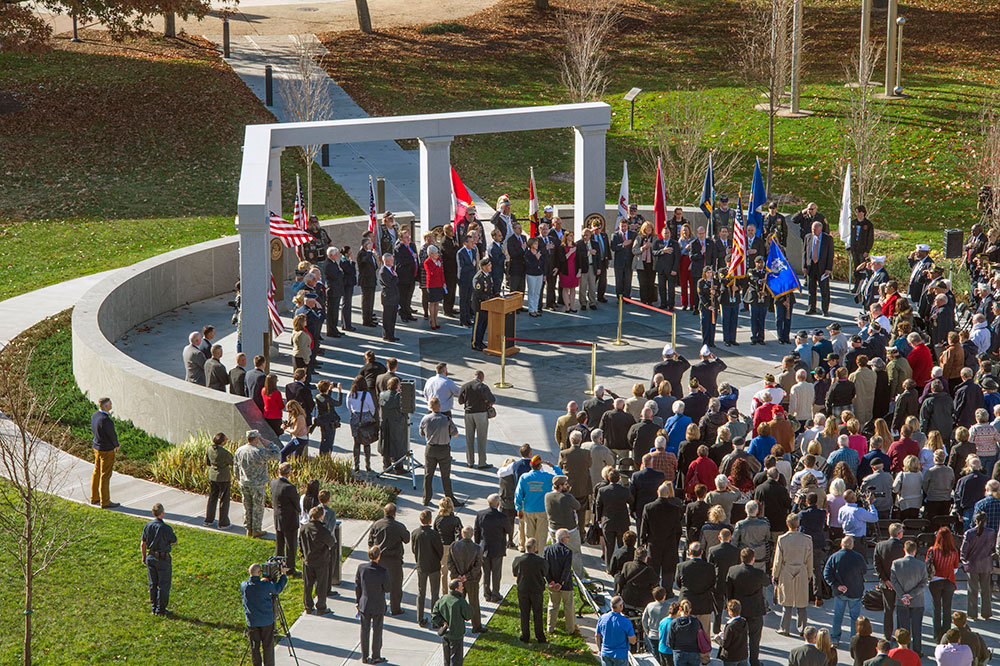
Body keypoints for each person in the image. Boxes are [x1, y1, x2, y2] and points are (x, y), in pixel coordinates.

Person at [726, 547, 770, 666]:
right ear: (753, 559)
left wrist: (729, 604)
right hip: (755, 609)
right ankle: (754, 661)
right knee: (754, 638)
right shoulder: (758, 573)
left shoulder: (733, 571)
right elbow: (767, 582)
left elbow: (729, 590)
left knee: (740, 638)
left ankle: (742, 660)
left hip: (739, 610)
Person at [234, 430, 280, 539]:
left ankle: (248, 529)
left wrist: (238, 479)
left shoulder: (239, 451)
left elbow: (236, 467)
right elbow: (277, 454)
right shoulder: (259, 452)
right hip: (257, 484)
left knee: (247, 506)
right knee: (258, 508)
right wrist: (268, 443)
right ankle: (256, 530)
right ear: (256, 439)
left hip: (244, 482)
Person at [774, 512, 813, 637]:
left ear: (787, 524)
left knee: (787, 601)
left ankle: (784, 628)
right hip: (801, 570)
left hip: (786, 570)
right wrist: (809, 574)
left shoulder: (782, 539)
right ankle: (803, 629)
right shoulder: (807, 539)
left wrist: (775, 575)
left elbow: (777, 560)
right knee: (802, 603)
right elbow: (809, 559)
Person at [241, 561, 288, 666]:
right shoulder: (266, 585)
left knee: (255, 647)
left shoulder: (244, 586)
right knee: (267, 647)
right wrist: (283, 575)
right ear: (259, 572)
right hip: (266, 621)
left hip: (252, 622)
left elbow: (254, 585)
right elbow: (278, 588)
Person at [823, 536, 867, 647]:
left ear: (841, 544)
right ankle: (853, 640)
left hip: (840, 593)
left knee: (838, 616)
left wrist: (837, 585)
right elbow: (864, 570)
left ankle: (835, 639)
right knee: (854, 618)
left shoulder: (834, 557)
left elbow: (826, 574)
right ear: (852, 545)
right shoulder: (858, 557)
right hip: (855, 591)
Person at [368, 503, 409, 616]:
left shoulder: (376, 525)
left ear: (384, 512)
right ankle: (395, 609)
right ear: (394, 514)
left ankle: (379, 607)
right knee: (396, 585)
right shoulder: (399, 526)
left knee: (378, 585)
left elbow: (370, 542)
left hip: (379, 559)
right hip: (394, 560)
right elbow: (407, 539)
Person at [515, 454, 563, 548]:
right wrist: (554, 467)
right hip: (542, 510)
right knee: (542, 536)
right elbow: (561, 477)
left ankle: (529, 554)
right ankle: (541, 556)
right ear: (540, 465)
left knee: (529, 535)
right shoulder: (547, 477)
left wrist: (519, 508)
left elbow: (518, 494)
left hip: (529, 509)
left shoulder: (524, 477)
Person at [890, 540, 928, 656]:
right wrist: (911, 595)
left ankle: (905, 650)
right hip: (917, 601)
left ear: (904, 550)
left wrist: (903, 595)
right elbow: (924, 583)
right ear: (915, 550)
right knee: (917, 628)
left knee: (903, 628)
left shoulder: (896, 564)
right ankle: (917, 650)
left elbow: (894, 582)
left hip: (902, 601)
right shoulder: (921, 565)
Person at [420, 396, 459, 506]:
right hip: (443, 449)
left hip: (430, 449)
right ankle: (449, 498)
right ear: (440, 407)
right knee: (445, 476)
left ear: (430, 407)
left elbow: (422, 434)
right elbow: (455, 434)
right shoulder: (446, 419)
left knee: (428, 475)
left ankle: (426, 499)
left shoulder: (425, 419)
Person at [140, 503, 177, 616]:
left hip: (151, 557)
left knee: (153, 584)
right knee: (163, 585)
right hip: (163, 559)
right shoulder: (166, 528)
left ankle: (154, 607)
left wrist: (144, 557)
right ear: (162, 513)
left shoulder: (148, 526)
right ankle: (161, 610)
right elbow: (174, 542)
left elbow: (143, 544)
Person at [356, 545, 390, 665]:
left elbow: (358, 586)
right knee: (377, 630)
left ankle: (364, 656)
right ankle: (376, 656)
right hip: (378, 604)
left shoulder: (361, 568)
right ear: (379, 556)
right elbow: (387, 588)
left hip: (365, 604)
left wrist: (358, 601)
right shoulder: (383, 571)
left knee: (364, 631)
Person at [474, 493, 510, 604]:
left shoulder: (480, 514)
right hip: (497, 548)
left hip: (484, 548)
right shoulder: (502, 516)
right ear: (498, 504)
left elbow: (476, 531)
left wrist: (478, 545)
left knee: (486, 573)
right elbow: (508, 530)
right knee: (496, 573)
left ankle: (486, 593)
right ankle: (495, 594)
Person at [511, 536, 548, 643]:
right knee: (538, 613)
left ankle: (525, 635)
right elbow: (545, 573)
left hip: (523, 589)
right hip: (537, 590)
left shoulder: (518, 560)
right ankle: (540, 636)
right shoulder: (541, 561)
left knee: (524, 613)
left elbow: (514, 573)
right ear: (535, 547)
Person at [299, 504, 335, 616]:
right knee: (321, 585)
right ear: (321, 516)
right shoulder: (323, 530)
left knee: (308, 585)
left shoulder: (304, 528)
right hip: (321, 562)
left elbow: (300, 543)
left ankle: (308, 606)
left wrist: (303, 554)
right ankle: (321, 606)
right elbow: (331, 542)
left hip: (308, 560)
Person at [448, 525, 485, 633]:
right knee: (473, 603)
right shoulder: (477, 548)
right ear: (472, 535)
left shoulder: (454, 546)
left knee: (456, 603)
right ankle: (476, 626)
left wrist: (457, 576)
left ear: (462, 534)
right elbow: (478, 566)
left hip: (457, 581)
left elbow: (450, 563)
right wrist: (466, 577)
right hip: (472, 580)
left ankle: (456, 626)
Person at [926, 526, 960, 642]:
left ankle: (937, 637)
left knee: (936, 609)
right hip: (949, 581)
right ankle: (947, 636)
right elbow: (955, 569)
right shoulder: (954, 551)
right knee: (947, 609)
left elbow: (928, 565)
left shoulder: (932, 550)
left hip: (935, 582)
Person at [411, 509, 443, 626]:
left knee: (421, 592)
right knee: (435, 593)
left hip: (421, 566)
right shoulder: (434, 534)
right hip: (434, 566)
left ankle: (420, 618)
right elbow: (439, 551)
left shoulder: (415, 533)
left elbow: (414, 550)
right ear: (430, 520)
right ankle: (435, 620)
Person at [960, 512, 994, 620]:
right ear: (986, 521)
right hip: (986, 564)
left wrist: (963, 559)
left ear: (975, 520)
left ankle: (972, 613)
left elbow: (964, 550)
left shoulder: (969, 533)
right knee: (986, 589)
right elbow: (992, 546)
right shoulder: (991, 532)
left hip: (973, 564)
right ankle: (986, 613)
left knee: (972, 590)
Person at [458, 370, 496, 469]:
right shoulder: (483, 387)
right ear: (481, 377)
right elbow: (492, 400)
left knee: (469, 438)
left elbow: (460, 401)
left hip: (468, 414)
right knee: (481, 438)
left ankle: (470, 462)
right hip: (481, 414)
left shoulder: (465, 386)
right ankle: (482, 462)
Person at [676, 542, 715, 632]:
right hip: (704, 604)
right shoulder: (709, 567)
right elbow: (712, 583)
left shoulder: (681, 566)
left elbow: (679, 583)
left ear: (689, 552)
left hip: (686, 603)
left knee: (685, 633)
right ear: (701, 552)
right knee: (703, 634)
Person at [544, 528, 576, 634]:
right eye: (568, 537)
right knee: (568, 607)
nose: (568, 539)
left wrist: (550, 581)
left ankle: (550, 628)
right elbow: (567, 569)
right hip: (565, 584)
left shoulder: (547, 550)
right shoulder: (567, 552)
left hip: (552, 584)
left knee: (552, 605)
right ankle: (570, 629)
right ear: (563, 539)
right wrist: (561, 583)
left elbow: (545, 567)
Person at [269, 463, 300, 574]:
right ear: (289, 473)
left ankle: (278, 564)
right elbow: (296, 504)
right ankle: (290, 568)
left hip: (278, 517)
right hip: (290, 519)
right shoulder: (290, 488)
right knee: (291, 545)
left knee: (280, 543)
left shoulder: (273, 483)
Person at [90, 397, 120, 509]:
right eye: (110, 404)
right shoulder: (106, 420)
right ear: (106, 406)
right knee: (105, 475)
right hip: (106, 451)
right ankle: (105, 501)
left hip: (97, 448)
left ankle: (94, 497)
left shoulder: (95, 416)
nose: (111, 405)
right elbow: (112, 435)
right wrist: (116, 445)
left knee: (96, 472)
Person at [803, 220, 834, 316]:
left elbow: (830, 255)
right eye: (812, 228)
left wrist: (828, 268)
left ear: (820, 229)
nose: (813, 230)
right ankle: (811, 308)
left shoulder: (827, 239)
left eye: (815, 229)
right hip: (811, 266)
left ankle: (825, 310)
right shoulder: (808, 237)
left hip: (823, 268)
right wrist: (804, 266)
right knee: (811, 290)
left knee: (824, 290)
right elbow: (805, 253)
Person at [597, 595, 638, 666]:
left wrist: (599, 650)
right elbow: (632, 641)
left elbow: (597, 635)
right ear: (621, 606)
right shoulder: (626, 622)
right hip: (620, 655)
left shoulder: (602, 618)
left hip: (605, 653)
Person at [204, 431, 233, 528]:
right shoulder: (225, 453)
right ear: (223, 442)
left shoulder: (209, 449)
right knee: (224, 500)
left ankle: (209, 520)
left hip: (212, 476)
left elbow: (207, 462)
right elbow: (233, 463)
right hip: (223, 477)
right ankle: (223, 522)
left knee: (212, 498)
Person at [378, 377, 407, 471]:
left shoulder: (382, 395)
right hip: (397, 424)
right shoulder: (399, 396)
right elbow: (404, 411)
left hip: (385, 423)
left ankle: (386, 466)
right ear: (397, 386)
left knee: (385, 443)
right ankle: (398, 467)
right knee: (398, 445)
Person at [665, 599, 703, 666]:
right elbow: (701, 636)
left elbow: (669, 642)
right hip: (694, 653)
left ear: (679, 609)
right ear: (690, 609)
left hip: (679, 653)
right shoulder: (696, 621)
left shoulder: (674, 623)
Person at [472, 258, 496, 350]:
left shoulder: (488, 275)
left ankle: (480, 342)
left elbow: (490, 288)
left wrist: (495, 295)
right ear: (483, 267)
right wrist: (488, 298)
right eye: (489, 265)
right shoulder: (479, 277)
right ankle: (475, 343)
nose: (491, 267)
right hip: (479, 305)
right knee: (478, 325)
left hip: (487, 305)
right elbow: (478, 293)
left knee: (484, 325)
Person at [378, 253, 400, 342]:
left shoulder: (391, 270)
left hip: (394, 296)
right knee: (387, 317)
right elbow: (390, 284)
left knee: (393, 317)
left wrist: (395, 277)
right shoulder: (383, 272)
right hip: (388, 297)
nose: (393, 261)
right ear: (386, 261)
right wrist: (395, 277)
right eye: (391, 260)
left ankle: (392, 334)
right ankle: (386, 335)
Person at [424, 245, 445, 330]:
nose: (437, 255)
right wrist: (437, 266)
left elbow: (441, 272)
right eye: (435, 253)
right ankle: (432, 320)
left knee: (437, 302)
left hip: (439, 283)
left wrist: (443, 282)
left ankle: (436, 319)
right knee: (432, 302)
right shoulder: (427, 262)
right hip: (432, 284)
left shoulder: (438, 260)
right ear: (431, 254)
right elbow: (432, 273)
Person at [697, 267, 720, 347]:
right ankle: (705, 342)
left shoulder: (715, 281)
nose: (709, 274)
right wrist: (707, 306)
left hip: (714, 306)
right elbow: (701, 295)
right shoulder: (701, 282)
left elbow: (719, 292)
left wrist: (715, 293)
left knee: (712, 325)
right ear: (704, 274)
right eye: (708, 273)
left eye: (710, 273)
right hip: (705, 307)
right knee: (705, 325)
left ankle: (711, 341)